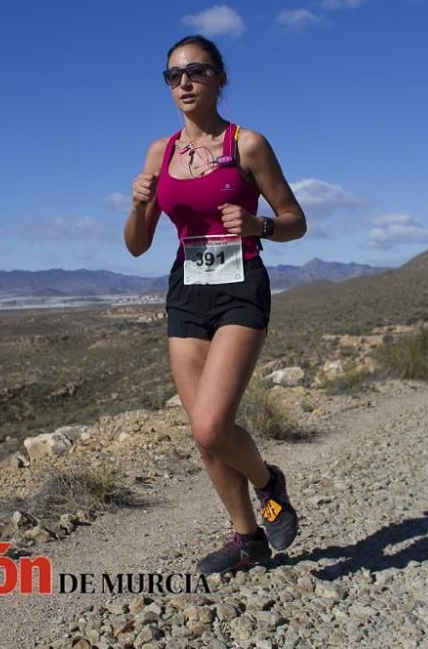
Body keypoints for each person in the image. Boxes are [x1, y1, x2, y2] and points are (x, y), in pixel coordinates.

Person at [124, 35, 307, 574]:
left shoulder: (246, 144)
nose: (184, 83)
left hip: (240, 286)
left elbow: (296, 221)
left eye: (196, 72)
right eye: (173, 76)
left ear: (219, 79)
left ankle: (270, 484)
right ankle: (247, 538)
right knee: (206, 437)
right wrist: (137, 206)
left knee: (210, 424)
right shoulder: (161, 152)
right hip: (186, 289)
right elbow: (137, 244)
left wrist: (261, 226)